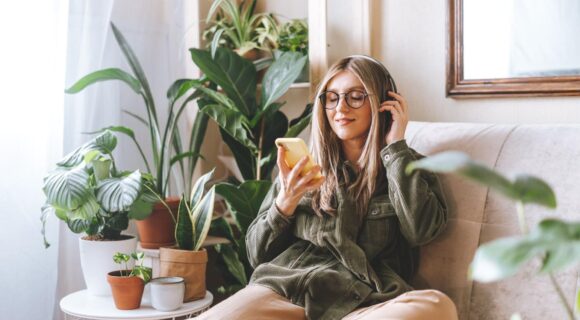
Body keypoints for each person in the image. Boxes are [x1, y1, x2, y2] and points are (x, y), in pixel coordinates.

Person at [195, 55, 458, 320]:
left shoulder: (407, 166)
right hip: (283, 293)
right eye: (332, 98)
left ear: (383, 103)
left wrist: (395, 149)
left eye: (355, 96)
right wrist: (285, 202)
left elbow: (421, 231)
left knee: (437, 306)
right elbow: (255, 255)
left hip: (362, 303)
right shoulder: (302, 168)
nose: (341, 107)